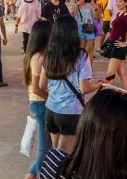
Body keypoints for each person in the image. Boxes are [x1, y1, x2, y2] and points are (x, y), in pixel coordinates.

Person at [38, 16, 99, 152]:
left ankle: (52, 173)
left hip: (51, 111)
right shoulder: (81, 56)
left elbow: (42, 86)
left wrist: (56, 95)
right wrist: (99, 85)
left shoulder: (49, 55)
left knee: (56, 154)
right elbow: (84, 88)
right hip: (70, 112)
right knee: (66, 157)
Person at [22, 19, 53, 179]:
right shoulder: (38, 57)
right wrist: (52, 99)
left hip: (36, 103)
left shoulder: (33, 54)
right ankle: (31, 175)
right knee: (45, 147)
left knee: (48, 144)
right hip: (40, 103)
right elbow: (36, 87)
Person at [103, 0, 127, 89]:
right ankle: (125, 95)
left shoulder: (126, 15)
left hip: (118, 47)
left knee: (110, 74)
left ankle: (109, 97)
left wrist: (125, 43)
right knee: (122, 73)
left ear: (126, 3)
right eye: (117, 1)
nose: (118, 3)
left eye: (120, 1)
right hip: (115, 45)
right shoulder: (119, 13)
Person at [73, 0, 99, 65]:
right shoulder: (75, 5)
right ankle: (81, 65)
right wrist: (75, 6)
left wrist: (96, 9)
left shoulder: (89, 5)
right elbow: (74, 17)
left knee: (90, 48)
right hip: (79, 27)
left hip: (89, 27)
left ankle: (89, 66)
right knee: (81, 48)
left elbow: (95, 17)